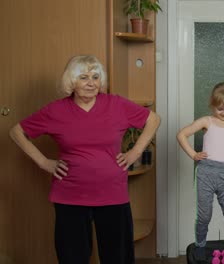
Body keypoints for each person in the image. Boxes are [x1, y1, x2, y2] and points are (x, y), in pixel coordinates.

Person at [9, 55, 161, 264]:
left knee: (118, 257)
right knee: (72, 258)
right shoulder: (55, 110)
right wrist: (44, 162)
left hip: (112, 194)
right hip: (70, 196)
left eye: (95, 77)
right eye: (83, 77)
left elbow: (153, 119)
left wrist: (135, 152)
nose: (91, 83)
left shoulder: (116, 104)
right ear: (71, 81)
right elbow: (17, 132)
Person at [177, 82, 224, 261]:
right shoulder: (207, 121)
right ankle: (200, 245)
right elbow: (181, 134)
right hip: (206, 172)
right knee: (204, 215)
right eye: (220, 109)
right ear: (213, 105)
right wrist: (194, 154)